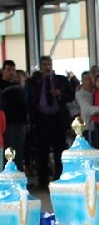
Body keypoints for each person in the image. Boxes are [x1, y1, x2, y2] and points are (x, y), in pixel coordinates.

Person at [26, 55, 75, 186]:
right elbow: (29, 100)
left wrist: (60, 94)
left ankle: (59, 177)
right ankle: (43, 180)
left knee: (60, 150)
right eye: (44, 64)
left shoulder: (62, 80)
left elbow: (71, 96)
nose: (47, 67)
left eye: (49, 64)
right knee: (42, 151)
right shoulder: (33, 82)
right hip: (41, 120)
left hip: (58, 119)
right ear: (40, 66)